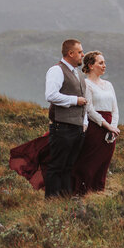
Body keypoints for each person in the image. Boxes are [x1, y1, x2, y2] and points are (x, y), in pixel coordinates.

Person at [42, 39, 88, 197]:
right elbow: (51, 95)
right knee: (57, 165)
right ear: (71, 53)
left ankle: (65, 201)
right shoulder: (57, 70)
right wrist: (74, 100)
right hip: (62, 127)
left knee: (69, 166)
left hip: (77, 127)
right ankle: (52, 202)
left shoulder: (78, 73)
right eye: (80, 52)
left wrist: (84, 122)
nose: (83, 54)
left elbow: (85, 100)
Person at [71, 51, 121, 194]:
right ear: (91, 65)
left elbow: (115, 109)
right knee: (90, 161)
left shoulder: (109, 84)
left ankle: (98, 193)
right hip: (95, 127)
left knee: (104, 162)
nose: (104, 66)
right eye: (100, 63)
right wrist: (107, 126)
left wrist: (114, 128)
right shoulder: (86, 84)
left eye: (104, 63)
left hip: (111, 130)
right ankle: (82, 192)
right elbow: (89, 109)